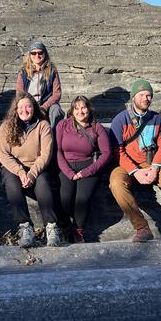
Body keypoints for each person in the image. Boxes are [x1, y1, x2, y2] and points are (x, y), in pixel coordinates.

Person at [108, 79, 161, 243]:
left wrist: (155, 167)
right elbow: (117, 150)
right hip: (128, 165)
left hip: (152, 163)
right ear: (133, 97)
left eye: (149, 95)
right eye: (141, 95)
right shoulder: (120, 120)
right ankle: (142, 228)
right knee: (116, 182)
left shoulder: (157, 119)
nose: (146, 98)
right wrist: (135, 171)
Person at [0, 92, 60, 247]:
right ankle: (25, 228)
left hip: (37, 167)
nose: (24, 110)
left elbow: (46, 154)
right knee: (11, 184)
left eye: (28, 106)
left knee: (43, 183)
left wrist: (31, 173)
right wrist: (20, 172)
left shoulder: (43, 125)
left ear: (34, 108)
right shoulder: (6, 127)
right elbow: (4, 155)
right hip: (13, 168)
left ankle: (51, 227)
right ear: (15, 109)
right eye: (20, 107)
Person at [56, 95, 111, 242]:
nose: (80, 111)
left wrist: (87, 171)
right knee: (65, 199)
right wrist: (69, 173)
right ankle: (65, 227)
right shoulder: (63, 125)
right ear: (72, 111)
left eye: (83, 108)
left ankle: (79, 231)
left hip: (88, 167)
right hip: (66, 166)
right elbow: (57, 151)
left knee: (82, 199)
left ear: (89, 109)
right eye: (77, 108)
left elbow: (106, 154)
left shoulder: (96, 127)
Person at [16, 41, 64, 129]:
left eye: (40, 53)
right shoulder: (23, 72)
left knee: (56, 110)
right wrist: (29, 105)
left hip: (47, 103)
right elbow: (20, 93)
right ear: (29, 55)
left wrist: (44, 107)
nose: (37, 56)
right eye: (33, 53)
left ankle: (53, 135)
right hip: (29, 102)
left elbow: (57, 94)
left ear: (45, 54)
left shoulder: (52, 70)